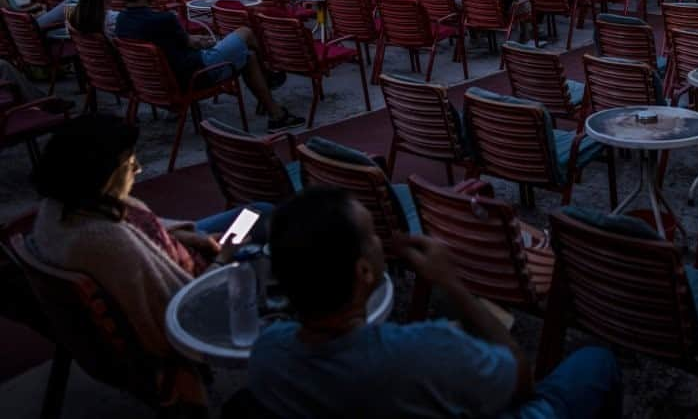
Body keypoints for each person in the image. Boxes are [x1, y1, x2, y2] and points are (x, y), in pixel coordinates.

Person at [249, 188, 620, 419]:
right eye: (372, 236)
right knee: (596, 361)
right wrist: (452, 285)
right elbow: (521, 380)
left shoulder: (266, 356)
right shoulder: (425, 350)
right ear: (363, 271)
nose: (381, 241)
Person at [31, 115, 273, 409]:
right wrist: (223, 259)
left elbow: (148, 231)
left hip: (180, 249)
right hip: (200, 285)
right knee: (266, 223)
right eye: (130, 163)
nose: (138, 168)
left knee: (257, 212)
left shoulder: (61, 208)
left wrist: (196, 240)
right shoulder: (106, 244)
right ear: (101, 174)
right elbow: (180, 307)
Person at [113, 0, 302, 130]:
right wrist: (208, 42)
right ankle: (268, 75)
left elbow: (178, 42)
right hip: (195, 74)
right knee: (245, 32)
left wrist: (199, 42)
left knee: (249, 56)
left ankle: (276, 114)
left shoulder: (122, 21)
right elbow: (190, 43)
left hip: (158, 83)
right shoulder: (163, 19)